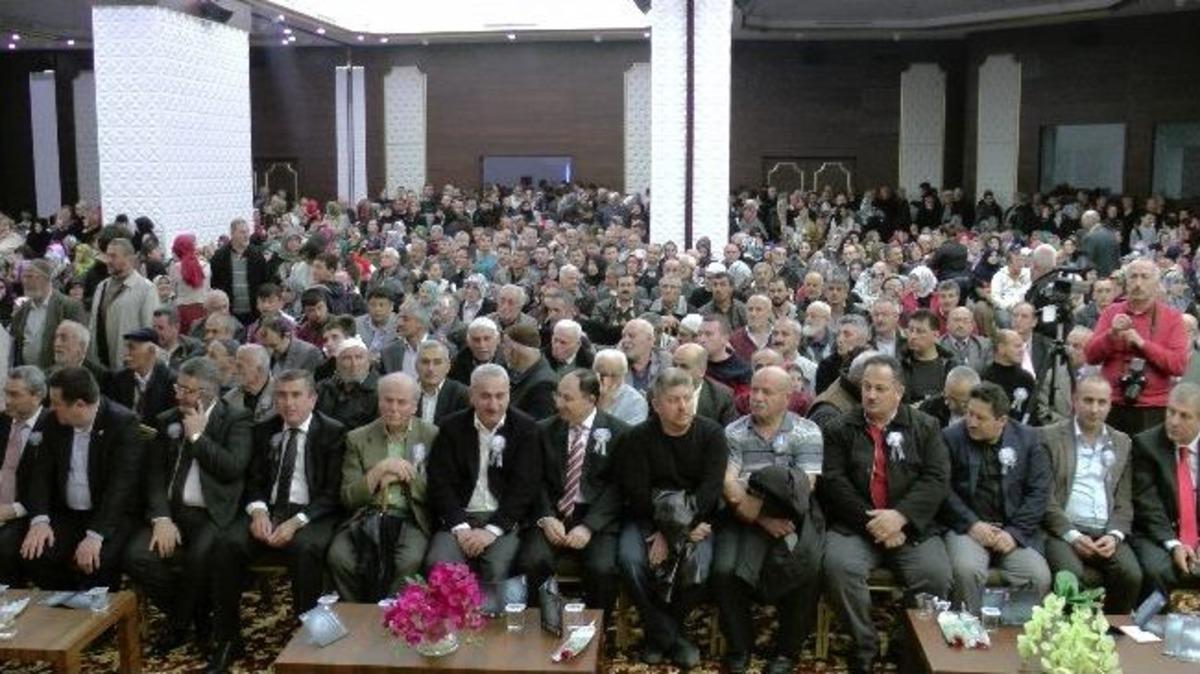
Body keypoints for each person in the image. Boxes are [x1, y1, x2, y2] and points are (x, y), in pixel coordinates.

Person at [208, 369, 346, 674]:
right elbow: (252, 480)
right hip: (269, 509)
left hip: (312, 513)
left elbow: (332, 493)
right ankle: (228, 640)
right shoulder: (263, 430)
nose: (288, 403)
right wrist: (257, 511)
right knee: (227, 544)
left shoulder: (333, 432)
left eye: (296, 395)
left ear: (312, 398)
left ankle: (309, 636)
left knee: (305, 549)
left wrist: (296, 521)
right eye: (281, 395)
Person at [821, 355, 952, 674]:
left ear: (899, 392)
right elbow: (833, 482)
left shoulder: (925, 426)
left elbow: (936, 478)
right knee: (839, 567)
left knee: (935, 574)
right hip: (856, 525)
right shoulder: (841, 427)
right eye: (866, 387)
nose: (871, 395)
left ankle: (906, 641)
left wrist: (900, 517)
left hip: (911, 527)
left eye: (880, 388)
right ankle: (864, 644)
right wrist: (874, 522)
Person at [124, 357, 253, 654]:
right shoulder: (166, 419)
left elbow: (232, 468)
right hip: (171, 513)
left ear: (208, 392)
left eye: (187, 390)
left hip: (213, 513)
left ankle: (178, 626)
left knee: (199, 559)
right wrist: (161, 518)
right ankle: (196, 617)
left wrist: (197, 436)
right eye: (177, 387)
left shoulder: (236, 419)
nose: (178, 394)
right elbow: (154, 476)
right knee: (136, 556)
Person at [615, 367, 728, 669]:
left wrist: (678, 531)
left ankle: (660, 633)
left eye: (687, 398)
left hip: (695, 521)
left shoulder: (712, 433)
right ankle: (669, 636)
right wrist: (661, 531)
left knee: (701, 567)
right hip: (646, 519)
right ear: (656, 405)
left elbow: (710, 489)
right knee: (630, 561)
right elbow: (637, 492)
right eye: (674, 400)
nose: (683, 406)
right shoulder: (637, 437)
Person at [715, 366, 824, 674]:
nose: (757, 397)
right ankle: (739, 647)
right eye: (754, 390)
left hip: (793, 516)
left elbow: (803, 488)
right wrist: (761, 518)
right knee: (724, 570)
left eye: (767, 392)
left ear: (787, 398)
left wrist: (759, 492)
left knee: (807, 570)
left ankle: (786, 653)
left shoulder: (807, 431)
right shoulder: (734, 432)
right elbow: (729, 485)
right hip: (741, 517)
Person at [20, 367, 142, 591]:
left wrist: (96, 535)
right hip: (68, 514)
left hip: (109, 515)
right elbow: (41, 474)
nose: (50, 408)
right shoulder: (54, 422)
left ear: (79, 405)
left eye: (57, 403)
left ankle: (96, 619)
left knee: (97, 561)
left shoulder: (123, 423)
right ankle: (64, 608)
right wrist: (39, 520)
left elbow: (121, 488)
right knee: (36, 554)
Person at [517, 369, 629, 612]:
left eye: (568, 398)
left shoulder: (620, 433)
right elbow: (534, 481)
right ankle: (538, 626)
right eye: (558, 395)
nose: (559, 403)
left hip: (596, 518)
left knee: (602, 569)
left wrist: (589, 526)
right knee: (533, 561)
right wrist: (546, 518)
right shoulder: (543, 430)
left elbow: (618, 488)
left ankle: (596, 632)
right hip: (552, 514)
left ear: (591, 400)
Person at [940, 382, 1052, 614]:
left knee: (1037, 575)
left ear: (1002, 421)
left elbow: (1038, 493)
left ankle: (1014, 637)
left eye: (980, 418)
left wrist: (1015, 533)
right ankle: (966, 631)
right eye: (969, 413)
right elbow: (943, 489)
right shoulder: (951, 438)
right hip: (967, 528)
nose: (971, 422)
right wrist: (972, 524)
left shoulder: (1030, 440)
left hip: (1013, 531)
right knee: (967, 571)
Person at [327, 373, 438, 602]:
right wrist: (378, 471)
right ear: (379, 402)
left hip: (410, 516)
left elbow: (436, 493)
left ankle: (394, 617)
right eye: (388, 400)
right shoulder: (357, 438)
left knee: (408, 561)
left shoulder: (431, 435)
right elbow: (348, 497)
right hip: (367, 515)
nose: (393, 408)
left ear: (414, 406)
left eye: (402, 402)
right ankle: (357, 614)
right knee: (339, 557)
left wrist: (405, 472)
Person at [424, 364, 540, 582]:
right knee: (440, 565)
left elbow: (524, 488)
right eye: (485, 396)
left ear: (509, 394)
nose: (494, 405)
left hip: (503, 520)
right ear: (472, 396)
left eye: (500, 396)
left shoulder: (526, 428)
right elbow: (440, 483)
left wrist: (492, 530)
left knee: (495, 569)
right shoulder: (451, 427)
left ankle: (494, 617)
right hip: (459, 517)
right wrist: (461, 527)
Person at [1040, 376, 1141, 613]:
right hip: (1062, 530)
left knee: (1131, 575)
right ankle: (1067, 639)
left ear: (1110, 405)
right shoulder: (1050, 437)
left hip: (1105, 531)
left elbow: (1124, 501)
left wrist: (1115, 535)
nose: (1095, 409)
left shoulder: (1122, 442)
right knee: (1070, 577)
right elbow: (1046, 499)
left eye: (1102, 402)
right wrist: (1073, 535)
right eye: (1088, 400)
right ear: (1075, 401)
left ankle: (1112, 636)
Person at [1085, 258, 1189, 435]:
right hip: (1112, 404)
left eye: (1144, 277)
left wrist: (1142, 345)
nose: (1138, 283)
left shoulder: (1172, 318)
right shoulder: (1112, 312)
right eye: (1133, 277)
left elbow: (1178, 365)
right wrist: (1111, 335)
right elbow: (1090, 356)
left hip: (1153, 408)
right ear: (1126, 282)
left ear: (1156, 284)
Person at [1131, 381, 1200, 596]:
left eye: (1184, 416)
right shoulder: (1146, 444)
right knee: (1159, 570)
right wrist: (1174, 544)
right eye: (1171, 412)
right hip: (1158, 535)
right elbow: (1148, 506)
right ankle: (1154, 627)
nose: (1174, 421)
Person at [0, 367, 51, 585]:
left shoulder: (53, 426)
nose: (7, 401)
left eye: (15, 395)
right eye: (5, 393)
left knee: (5, 547)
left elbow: (51, 485)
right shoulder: (2, 421)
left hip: (27, 510)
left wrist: (14, 509)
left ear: (37, 396)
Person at [88, 238, 159, 370]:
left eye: (113, 256)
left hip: (131, 367)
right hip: (103, 369)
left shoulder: (146, 289)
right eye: (107, 255)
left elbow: (150, 331)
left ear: (129, 259)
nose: (108, 261)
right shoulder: (101, 287)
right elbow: (93, 326)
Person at [11, 259, 85, 369]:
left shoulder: (68, 306)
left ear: (46, 279)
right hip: (29, 378)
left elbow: (80, 346)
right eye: (24, 277)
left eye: (30, 276)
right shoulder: (22, 311)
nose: (25, 281)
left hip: (58, 377)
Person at [209, 218, 269, 326]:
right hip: (229, 312)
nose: (246, 235)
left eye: (247, 232)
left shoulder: (257, 255)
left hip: (253, 312)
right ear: (232, 234)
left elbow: (265, 281)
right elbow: (215, 283)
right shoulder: (220, 256)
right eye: (242, 232)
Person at [110, 328, 176, 421]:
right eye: (126, 348)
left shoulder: (170, 382)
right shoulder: (118, 378)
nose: (126, 354)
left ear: (151, 351)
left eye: (132, 348)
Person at [316, 337, 379, 431]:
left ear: (368, 361)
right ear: (337, 363)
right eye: (347, 358)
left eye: (359, 357)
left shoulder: (380, 391)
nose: (354, 364)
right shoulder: (323, 388)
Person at [501, 324, 558, 421]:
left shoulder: (544, 385)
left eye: (504, 346)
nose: (502, 352)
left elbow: (535, 427)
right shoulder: (522, 373)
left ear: (513, 351)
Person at [672, 343, 738, 426]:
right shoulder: (658, 390)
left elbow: (728, 434)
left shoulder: (722, 398)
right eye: (674, 365)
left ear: (701, 370)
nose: (676, 371)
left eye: (684, 367)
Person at [982, 329, 1039, 424]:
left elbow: (1034, 413)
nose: (1022, 350)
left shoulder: (1026, 379)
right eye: (1017, 346)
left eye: (1022, 346)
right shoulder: (985, 378)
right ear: (1001, 348)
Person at [899, 309, 955, 404]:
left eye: (920, 332)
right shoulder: (900, 365)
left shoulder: (950, 366)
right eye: (910, 330)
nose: (913, 336)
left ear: (935, 335)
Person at [414, 340, 471, 425]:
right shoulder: (406, 392)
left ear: (448, 366)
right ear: (416, 366)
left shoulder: (462, 394)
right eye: (425, 362)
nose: (430, 368)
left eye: (437, 362)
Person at [593, 349, 650, 426]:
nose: (607, 379)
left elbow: (629, 435)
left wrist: (604, 408)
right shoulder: (584, 392)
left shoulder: (636, 402)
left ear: (623, 375)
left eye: (613, 375)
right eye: (602, 374)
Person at [168, 234, 211, 335]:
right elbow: (207, 289)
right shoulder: (206, 265)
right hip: (203, 308)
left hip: (183, 311)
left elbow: (174, 291)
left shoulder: (175, 267)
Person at [224, 343, 277, 424]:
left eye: (240, 366)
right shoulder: (229, 399)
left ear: (259, 370)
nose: (234, 371)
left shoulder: (282, 395)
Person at [380, 300, 432, 377]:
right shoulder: (388, 352)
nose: (399, 323)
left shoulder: (444, 349)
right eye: (399, 318)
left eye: (405, 319)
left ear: (420, 323)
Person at [619, 318, 671, 394]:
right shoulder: (615, 363)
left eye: (631, 336)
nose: (625, 340)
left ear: (650, 340)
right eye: (623, 336)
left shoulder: (665, 361)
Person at [259, 315, 324, 376]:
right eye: (266, 346)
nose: (270, 351)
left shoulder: (310, 353)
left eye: (273, 346)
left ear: (287, 335)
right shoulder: (266, 355)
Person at [447, 317, 504, 385]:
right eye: (476, 340)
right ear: (468, 342)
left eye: (487, 339)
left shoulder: (510, 363)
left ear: (497, 339)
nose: (482, 345)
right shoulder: (456, 365)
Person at [940, 306, 992, 371]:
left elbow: (988, 376)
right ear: (947, 325)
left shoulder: (985, 345)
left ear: (972, 326)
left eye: (965, 321)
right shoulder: (937, 345)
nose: (960, 325)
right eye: (956, 320)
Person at [152, 307, 202, 371]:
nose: (156, 332)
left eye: (160, 328)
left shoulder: (192, 348)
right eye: (154, 327)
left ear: (176, 327)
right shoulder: (149, 349)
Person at [356, 287, 399, 357]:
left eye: (382, 305)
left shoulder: (399, 325)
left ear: (391, 307)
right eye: (372, 305)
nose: (377, 309)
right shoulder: (357, 324)